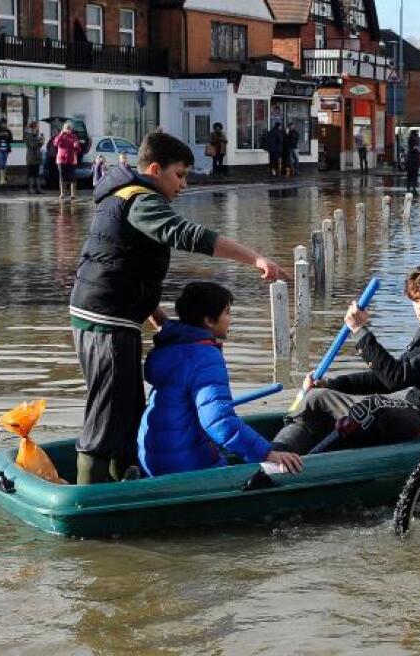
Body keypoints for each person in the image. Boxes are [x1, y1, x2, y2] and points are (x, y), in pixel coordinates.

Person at [69, 131, 287, 484]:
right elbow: (184, 233)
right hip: (105, 318)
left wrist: (156, 316)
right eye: (180, 174)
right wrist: (255, 258)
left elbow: (128, 265)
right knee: (109, 413)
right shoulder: (140, 200)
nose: (184, 184)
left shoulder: (124, 197)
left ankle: (126, 483)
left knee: (127, 409)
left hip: (111, 315)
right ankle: (89, 499)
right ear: (155, 169)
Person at [272, 263, 420, 455]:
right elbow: (386, 377)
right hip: (417, 412)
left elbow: (395, 378)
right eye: (416, 300)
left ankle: (299, 465)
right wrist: (331, 384)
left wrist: (360, 332)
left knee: (373, 407)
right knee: (316, 397)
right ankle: (277, 455)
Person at [137, 282, 304, 477]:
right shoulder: (205, 356)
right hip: (183, 466)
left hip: (151, 458)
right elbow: (218, 420)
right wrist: (267, 453)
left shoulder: (171, 349)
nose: (230, 319)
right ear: (209, 320)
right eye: (227, 312)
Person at [52, 121, 81, 201]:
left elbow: (78, 149)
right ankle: (62, 193)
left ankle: (73, 194)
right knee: (62, 176)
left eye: (70, 128)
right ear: (64, 129)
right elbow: (55, 143)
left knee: (72, 177)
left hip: (72, 159)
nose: (69, 130)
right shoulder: (60, 136)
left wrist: (76, 146)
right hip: (61, 160)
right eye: (67, 128)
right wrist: (61, 134)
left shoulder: (74, 136)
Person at [24, 121, 44, 194]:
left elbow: (38, 146)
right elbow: (33, 145)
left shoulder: (35, 135)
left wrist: (41, 141)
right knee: (30, 174)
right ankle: (30, 189)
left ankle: (38, 189)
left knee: (36, 174)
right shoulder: (29, 135)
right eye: (37, 127)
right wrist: (39, 141)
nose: (38, 128)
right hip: (31, 158)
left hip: (37, 157)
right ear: (33, 128)